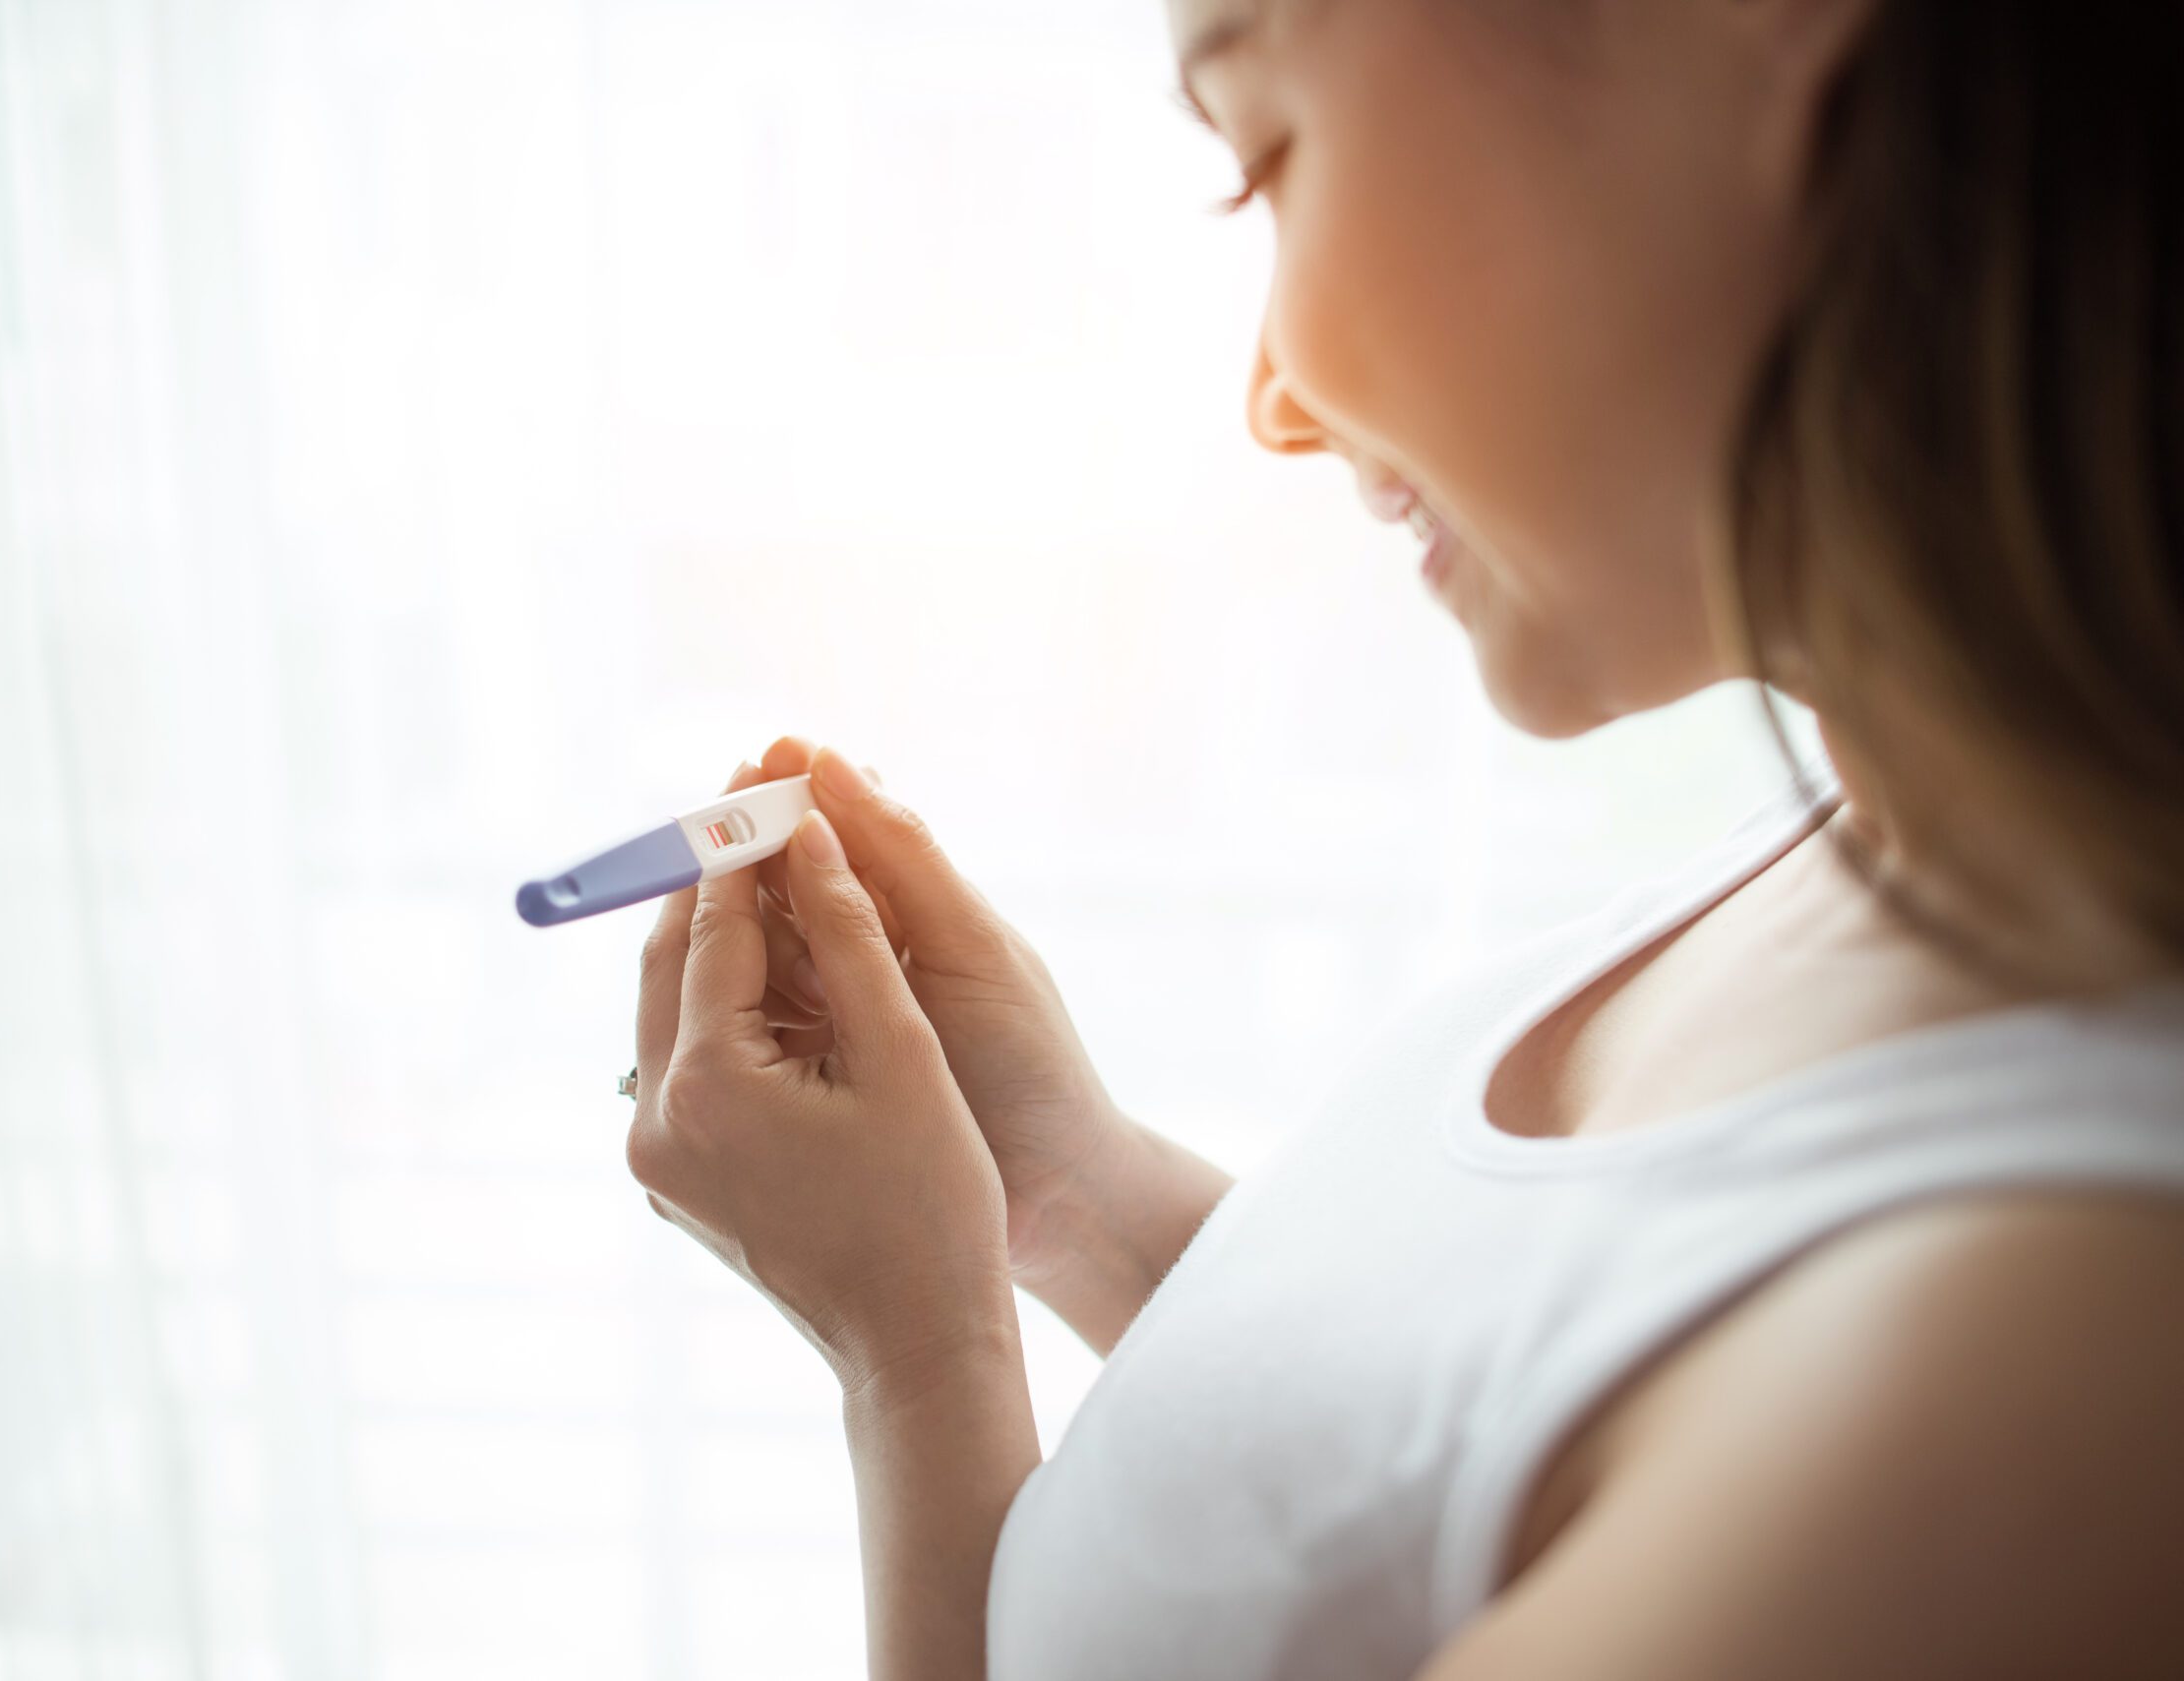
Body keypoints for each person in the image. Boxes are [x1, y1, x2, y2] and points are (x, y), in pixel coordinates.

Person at [619, 1, 2184, 1675]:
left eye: (1265, 159)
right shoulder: (1891, 846)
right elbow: (1458, 1460)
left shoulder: (2044, 1372)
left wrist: (913, 1359)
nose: (1273, 403)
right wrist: (1068, 1190)